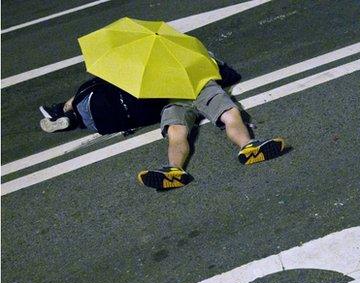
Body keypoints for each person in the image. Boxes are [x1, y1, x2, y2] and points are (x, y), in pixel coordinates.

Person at [39, 64, 285, 191]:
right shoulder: (196, 56)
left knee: (177, 133)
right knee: (229, 114)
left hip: (172, 98)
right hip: (202, 87)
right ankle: (248, 146)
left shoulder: (152, 69)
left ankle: (174, 170)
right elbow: (229, 74)